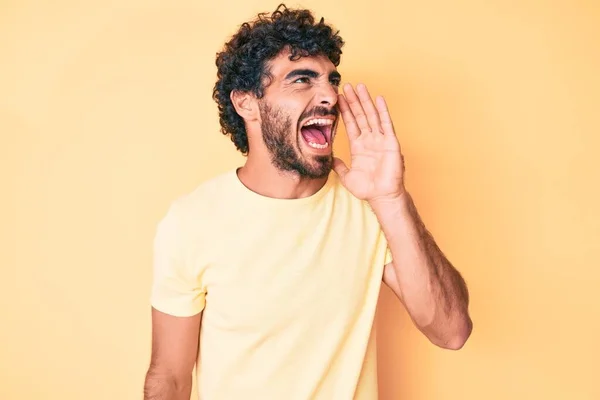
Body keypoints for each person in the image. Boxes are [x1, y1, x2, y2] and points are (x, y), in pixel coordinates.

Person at [143, 4, 472, 400]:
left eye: (332, 81)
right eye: (302, 80)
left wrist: (392, 198)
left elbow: (451, 331)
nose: (330, 96)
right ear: (247, 102)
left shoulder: (369, 208)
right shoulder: (191, 222)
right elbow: (169, 378)